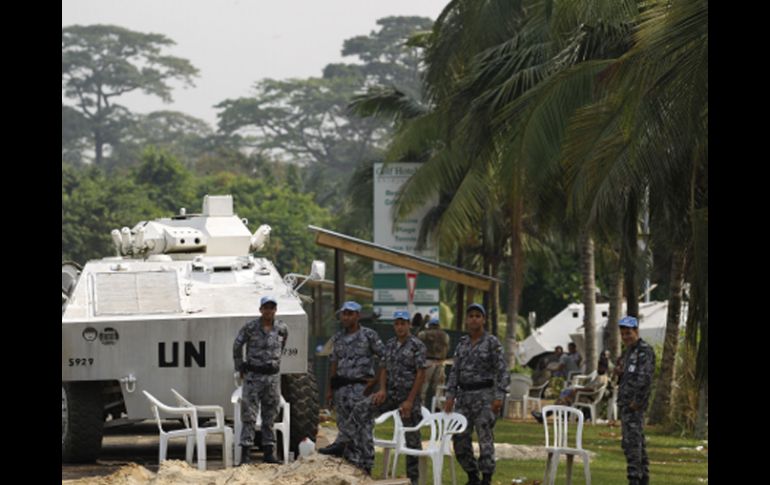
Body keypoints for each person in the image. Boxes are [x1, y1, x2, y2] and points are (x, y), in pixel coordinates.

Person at [348, 310, 427, 483]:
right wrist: (382, 389)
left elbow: (421, 374)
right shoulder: (390, 344)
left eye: (403, 323)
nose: (400, 327)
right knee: (361, 409)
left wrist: (410, 400)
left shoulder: (417, 345)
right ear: (394, 326)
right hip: (390, 394)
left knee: (412, 438)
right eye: (397, 324)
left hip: (408, 397)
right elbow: (383, 368)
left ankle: (413, 479)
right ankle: (363, 462)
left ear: (409, 325)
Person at [444, 303, 510, 485]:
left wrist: (499, 396)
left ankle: (487, 477)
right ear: (466, 320)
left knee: (484, 438)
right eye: (471, 315)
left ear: (484, 320)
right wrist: (450, 395)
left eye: (477, 316)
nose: (474, 319)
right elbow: (454, 371)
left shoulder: (492, 343)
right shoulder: (462, 344)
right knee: (459, 438)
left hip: (484, 396)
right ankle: (472, 475)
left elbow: (502, 371)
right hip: (464, 398)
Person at [319, 301, 386, 475]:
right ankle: (350, 468)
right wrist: (329, 390)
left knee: (363, 429)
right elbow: (333, 363)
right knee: (344, 427)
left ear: (357, 315)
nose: (346, 317)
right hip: (341, 388)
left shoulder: (369, 335)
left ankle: (366, 467)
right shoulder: (338, 338)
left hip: (361, 389)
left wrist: (376, 381)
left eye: (350, 314)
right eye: (344, 314)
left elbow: (385, 358)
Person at [232, 295, 287, 464]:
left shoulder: (282, 328)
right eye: (266, 307)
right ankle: (246, 455)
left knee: (270, 415)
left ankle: (269, 453)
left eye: (272, 307)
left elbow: (282, 346)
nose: (269, 310)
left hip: (272, 377)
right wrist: (240, 366)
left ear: (275, 310)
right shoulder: (250, 327)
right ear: (261, 309)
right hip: (253, 377)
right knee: (249, 415)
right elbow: (237, 345)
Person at [616, 316, 655, 485]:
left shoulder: (644, 351)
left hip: (634, 406)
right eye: (623, 334)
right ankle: (643, 478)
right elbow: (629, 375)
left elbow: (645, 378)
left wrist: (637, 401)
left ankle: (634, 478)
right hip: (625, 404)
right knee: (635, 441)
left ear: (636, 331)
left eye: (628, 333)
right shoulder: (629, 351)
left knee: (632, 443)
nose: (626, 337)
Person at [531, 352, 609, 422]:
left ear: (604, 368)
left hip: (587, 397)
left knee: (563, 400)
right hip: (583, 395)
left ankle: (544, 415)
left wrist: (578, 389)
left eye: (600, 366)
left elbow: (592, 389)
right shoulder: (601, 376)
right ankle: (546, 415)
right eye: (598, 366)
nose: (598, 368)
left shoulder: (601, 378)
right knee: (563, 398)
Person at [417, 316, 450, 408]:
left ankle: (421, 409)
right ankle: (438, 409)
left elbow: (416, 339)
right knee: (439, 388)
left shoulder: (424, 334)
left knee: (423, 387)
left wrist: (423, 324)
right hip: (441, 362)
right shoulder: (445, 335)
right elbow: (447, 348)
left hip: (428, 362)